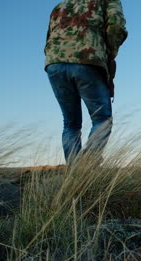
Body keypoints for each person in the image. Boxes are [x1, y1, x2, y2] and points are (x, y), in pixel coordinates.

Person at [44, 0, 127, 164]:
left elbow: (49, 36)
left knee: (70, 123)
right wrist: (109, 53)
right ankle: (86, 167)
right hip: (88, 59)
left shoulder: (60, 6)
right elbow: (116, 26)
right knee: (102, 119)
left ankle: (74, 174)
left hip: (54, 63)